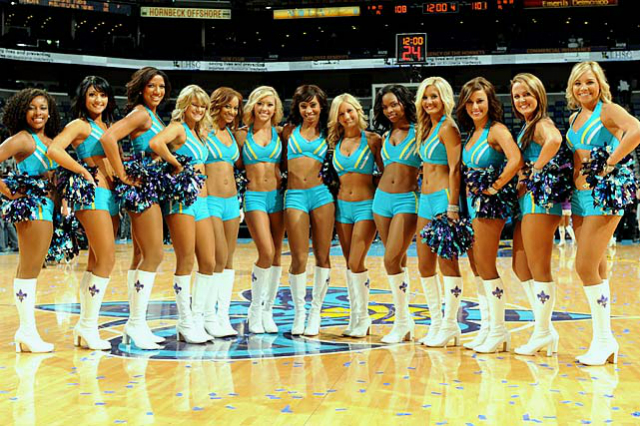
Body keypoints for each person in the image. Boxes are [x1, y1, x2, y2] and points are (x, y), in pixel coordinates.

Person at [565, 61, 640, 365]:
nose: (584, 88)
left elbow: (636, 130)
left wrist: (610, 162)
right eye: (578, 83)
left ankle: (605, 340)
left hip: (602, 195)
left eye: (589, 82)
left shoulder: (607, 110)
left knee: (584, 266)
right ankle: (603, 340)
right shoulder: (574, 117)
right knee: (596, 267)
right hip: (578, 198)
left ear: (600, 84)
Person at [100, 67, 172, 349]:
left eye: (161, 87)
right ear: (141, 89)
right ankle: (136, 323)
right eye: (152, 86)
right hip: (142, 188)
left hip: (150, 185)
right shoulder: (141, 114)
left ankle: (136, 323)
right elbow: (108, 138)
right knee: (154, 254)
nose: (157, 91)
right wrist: (122, 174)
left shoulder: (152, 115)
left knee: (141, 255)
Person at [48, 76, 119, 350]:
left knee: (96, 262)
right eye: (92, 95)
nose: (98, 100)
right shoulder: (80, 125)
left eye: (102, 95)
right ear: (83, 98)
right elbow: (54, 149)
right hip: (93, 195)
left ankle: (84, 326)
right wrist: (82, 170)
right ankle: (89, 326)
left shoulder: (107, 126)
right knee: (107, 260)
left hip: (111, 196)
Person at [456, 77, 523, 353]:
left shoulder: (496, 130)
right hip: (471, 205)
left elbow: (515, 159)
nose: (475, 107)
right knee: (476, 266)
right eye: (470, 102)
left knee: (485, 264)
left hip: (489, 206)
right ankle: (487, 327)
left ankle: (499, 330)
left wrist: (495, 186)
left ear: (490, 102)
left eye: (480, 101)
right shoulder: (472, 132)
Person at [149, 84, 214, 344]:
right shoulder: (178, 128)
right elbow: (155, 143)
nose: (198, 109)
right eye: (194, 104)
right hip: (181, 201)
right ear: (184, 106)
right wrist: (175, 163)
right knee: (186, 259)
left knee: (208, 262)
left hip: (203, 202)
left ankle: (197, 319)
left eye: (203, 106)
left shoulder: (199, 132)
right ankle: (185, 321)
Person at [0, 88, 62, 352]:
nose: (38, 113)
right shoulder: (22, 139)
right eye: (32, 107)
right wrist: (9, 192)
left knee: (31, 268)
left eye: (43, 108)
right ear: (22, 111)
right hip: (33, 208)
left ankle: (26, 333)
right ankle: (26, 331)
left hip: (47, 208)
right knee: (29, 270)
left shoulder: (50, 140)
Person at [509, 73, 563, 356]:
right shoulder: (528, 125)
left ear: (539, 95)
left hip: (539, 202)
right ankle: (544, 328)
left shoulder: (542, 124)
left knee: (539, 267)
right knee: (521, 267)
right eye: (517, 96)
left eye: (527, 94)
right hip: (527, 202)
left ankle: (542, 332)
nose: (521, 100)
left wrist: (536, 170)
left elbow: (554, 140)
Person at [414, 77, 464, 347]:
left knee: (447, 264)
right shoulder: (426, 128)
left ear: (444, 98)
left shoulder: (448, 128)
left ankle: (450, 324)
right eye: (425, 97)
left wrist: (453, 206)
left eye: (434, 96)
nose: (429, 101)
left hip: (444, 200)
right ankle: (435, 323)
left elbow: (455, 169)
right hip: (424, 200)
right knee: (424, 264)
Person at [328, 93, 383, 338]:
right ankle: (355, 316)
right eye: (341, 113)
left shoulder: (372, 140)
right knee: (349, 263)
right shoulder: (335, 142)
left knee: (355, 261)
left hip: (365, 207)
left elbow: (386, 172)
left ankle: (364, 317)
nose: (346, 116)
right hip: (342, 209)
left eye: (349, 111)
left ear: (358, 111)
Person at [282, 85, 335, 336]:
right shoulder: (288, 131)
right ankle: (299, 312)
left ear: (321, 106)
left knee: (322, 256)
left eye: (313, 105)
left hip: (322, 195)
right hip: (295, 196)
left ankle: (316, 312)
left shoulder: (330, 132)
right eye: (304, 106)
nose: (309, 110)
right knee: (299, 257)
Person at [235, 86, 286, 334]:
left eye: (270, 104)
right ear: (252, 106)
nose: (265, 109)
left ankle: (268, 310)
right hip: (254, 197)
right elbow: (234, 165)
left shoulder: (281, 133)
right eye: (260, 103)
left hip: (277, 197)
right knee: (266, 252)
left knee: (277, 255)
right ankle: (255, 309)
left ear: (276, 108)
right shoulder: (241, 135)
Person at [372, 84, 420, 344]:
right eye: (385, 107)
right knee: (397, 260)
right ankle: (405, 322)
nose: (389, 110)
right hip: (381, 201)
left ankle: (402, 321)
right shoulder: (383, 137)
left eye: (394, 104)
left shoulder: (420, 132)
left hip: (406, 201)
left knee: (390, 260)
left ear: (404, 103)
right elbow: (383, 169)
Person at [196, 87, 243, 338]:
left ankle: (222, 316)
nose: (232, 112)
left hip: (232, 202)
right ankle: (207, 316)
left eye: (235, 108)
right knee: (217, 257)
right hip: (211, 201)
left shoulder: (233, 134)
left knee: (229, 260)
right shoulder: (203, 131)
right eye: (228, 106)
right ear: (217, 105)